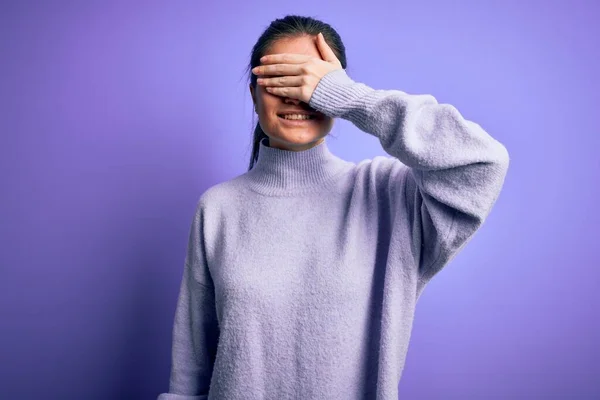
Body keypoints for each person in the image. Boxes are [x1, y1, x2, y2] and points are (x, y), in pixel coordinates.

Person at [157, 14, 509, 400]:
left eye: (310, 81)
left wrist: (352, 97)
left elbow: (482, 163)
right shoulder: (218, 208)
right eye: (279, 79)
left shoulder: (389, 196)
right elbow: (191, 368)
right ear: (255, 94)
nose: (296, 95)